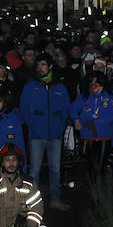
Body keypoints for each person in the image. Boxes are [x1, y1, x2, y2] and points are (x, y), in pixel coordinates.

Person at [20, 57, 72, 210]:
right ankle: (31, 202)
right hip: (37, 135)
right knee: (34, 169)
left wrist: (60, 126)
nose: (40, 67)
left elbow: (65, 108)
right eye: (38, 65)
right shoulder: (30, 86)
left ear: (50, 66)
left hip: (55, 134)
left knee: (55, 168)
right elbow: (24, 109)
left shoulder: (59, 87)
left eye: (43, 64)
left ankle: (55, 198)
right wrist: (33, 126)